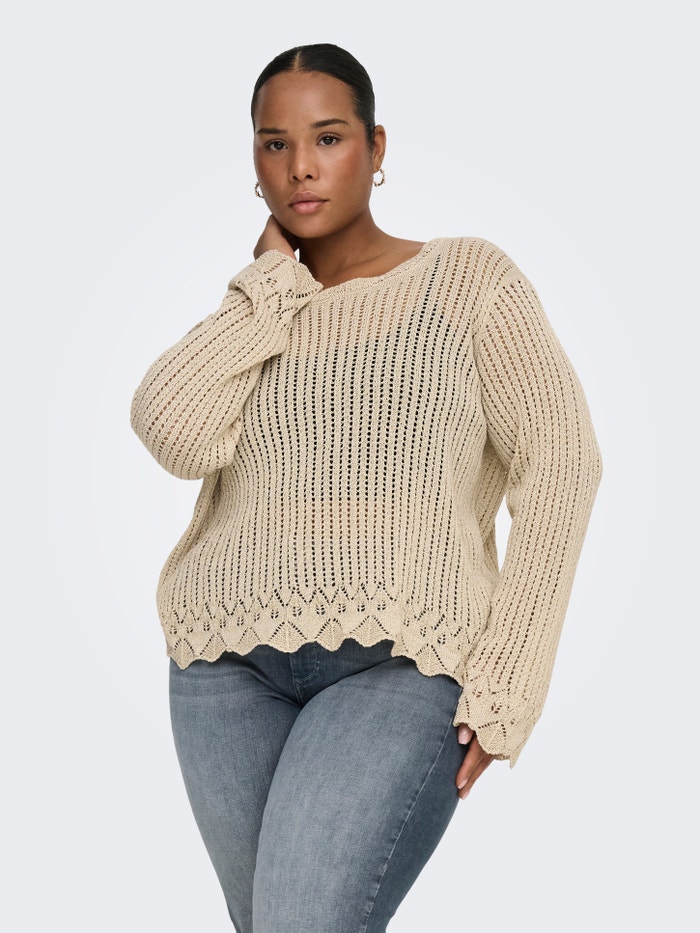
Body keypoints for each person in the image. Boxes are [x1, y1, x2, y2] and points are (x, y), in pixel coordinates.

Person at [131, 42, 602, 933]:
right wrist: (267, 288)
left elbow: (562, 461)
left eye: (328, 137)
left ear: (376, 147)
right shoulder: (262, 309)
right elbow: (171, 425)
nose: (300, 167)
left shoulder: (468, 281)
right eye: (275, 144)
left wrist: (509, 676)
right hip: (224, 666)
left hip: (399, 661)